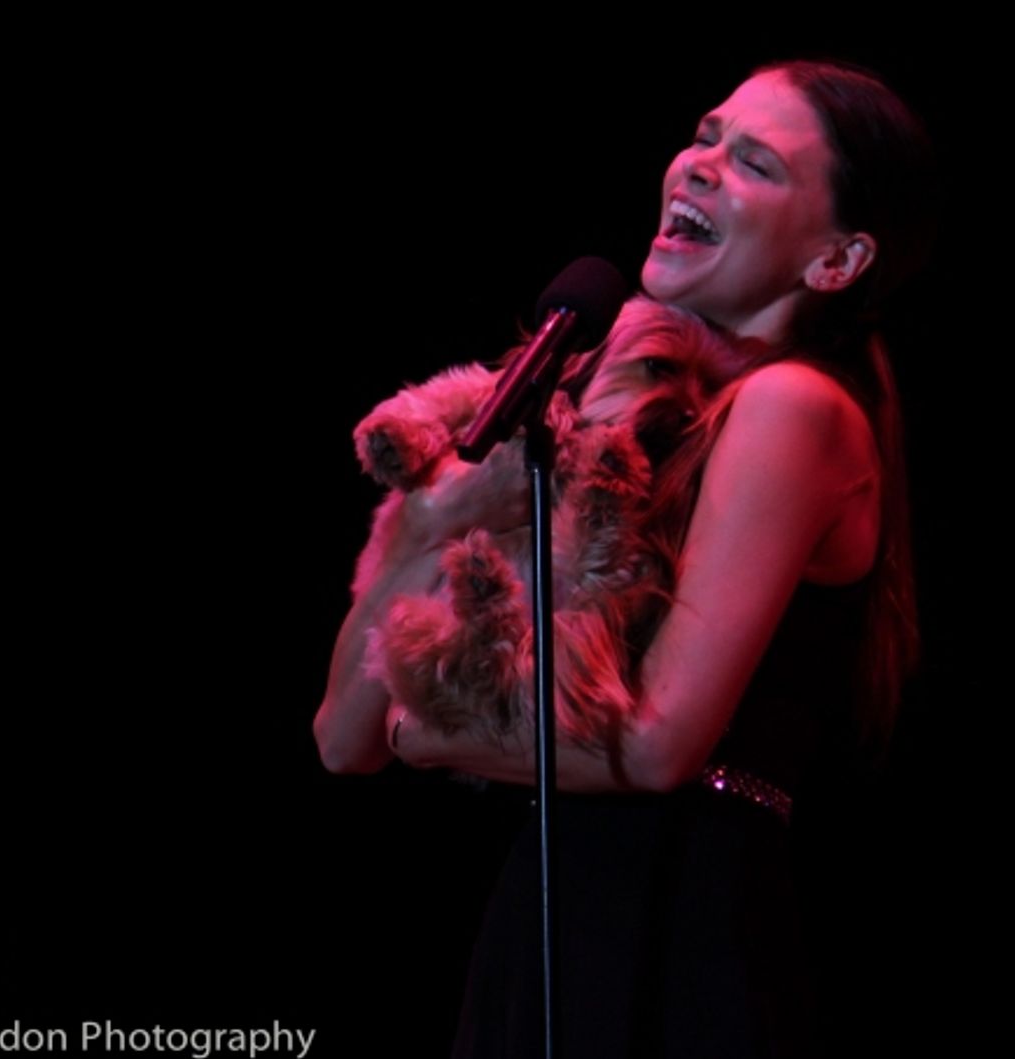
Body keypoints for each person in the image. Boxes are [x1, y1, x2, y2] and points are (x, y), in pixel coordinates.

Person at [314, 58, 937, 1058]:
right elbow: (341, 734)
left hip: (673, 924)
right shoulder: (590, 400)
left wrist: (429, 740)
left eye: (753, 165)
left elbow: (655, 746)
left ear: (834, 259)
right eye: (701, 136)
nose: (696, 167)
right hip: (547, 913)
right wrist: (440, 516)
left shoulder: (794, 409)